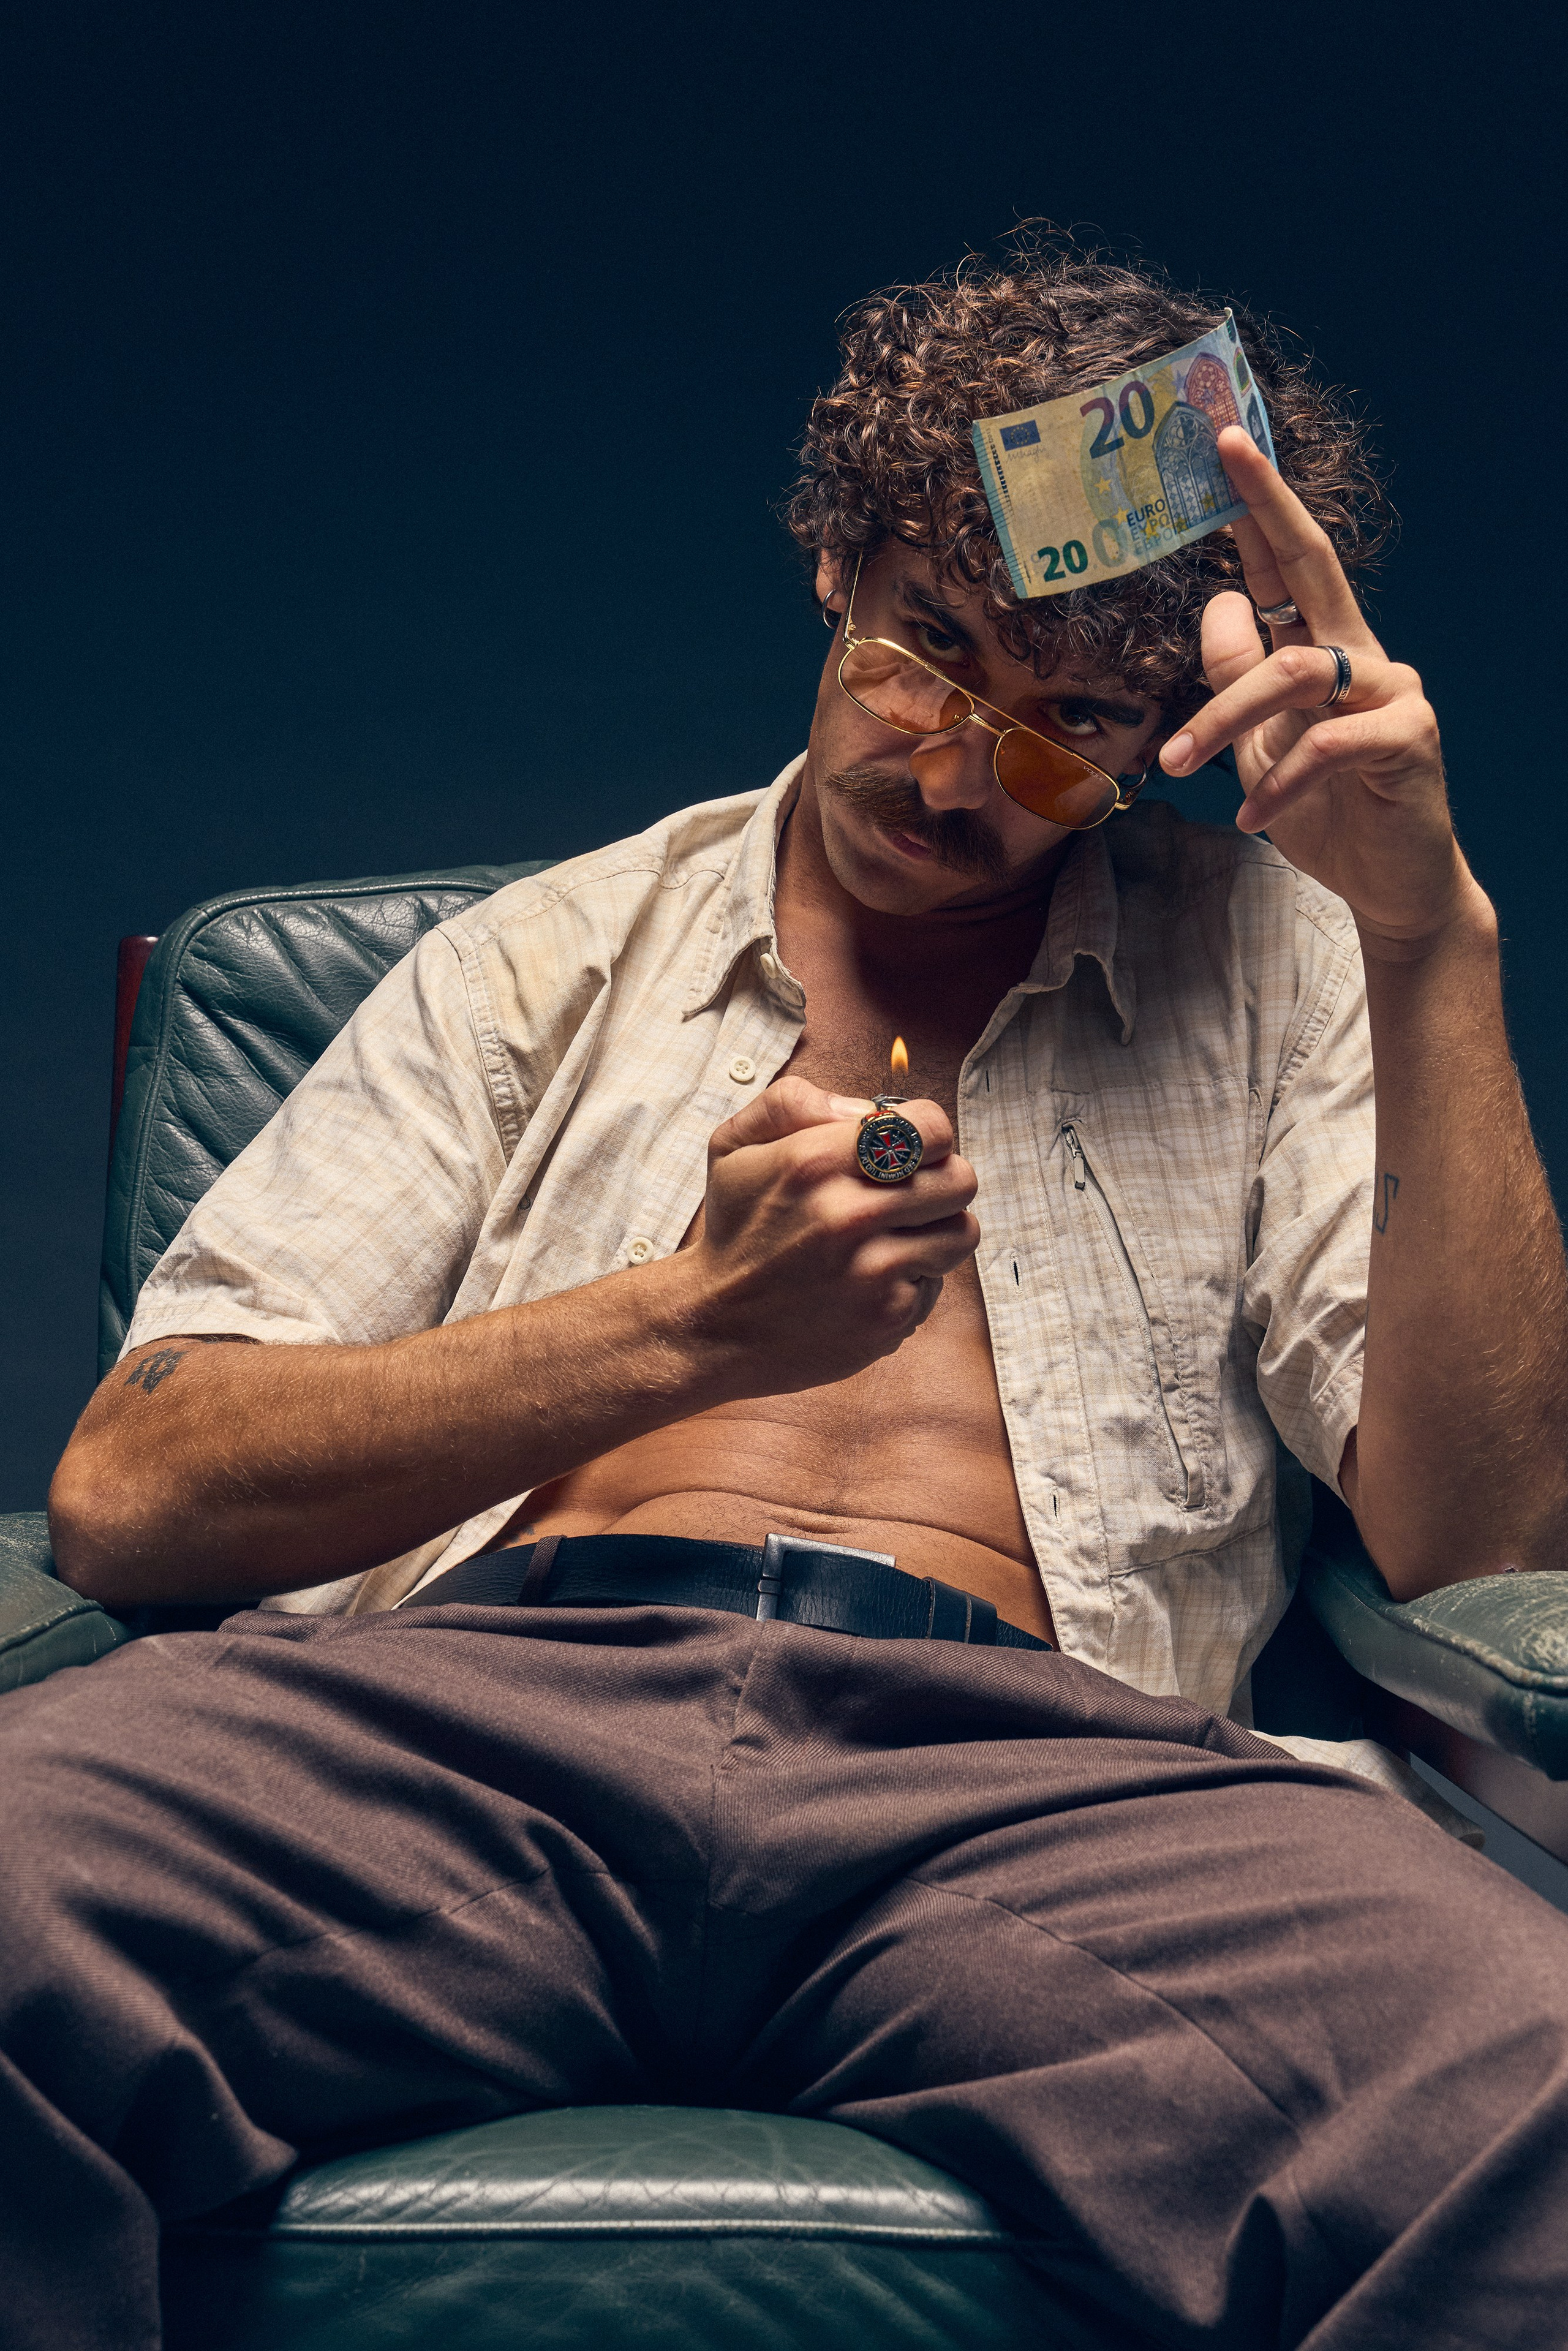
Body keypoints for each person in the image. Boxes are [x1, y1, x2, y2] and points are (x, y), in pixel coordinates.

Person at [14, 243, 1568, 2349]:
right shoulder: (539, 960)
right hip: (464, 1729)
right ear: (839, 566)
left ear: (1171, 735)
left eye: (1069, 727)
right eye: (932, 654)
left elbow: (1478, 1545)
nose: (956, 778)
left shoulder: (1290, 967)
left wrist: (1430, 931)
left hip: (1035, 1785)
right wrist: (685, 1331)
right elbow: (135, 1488)